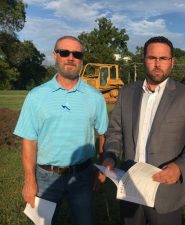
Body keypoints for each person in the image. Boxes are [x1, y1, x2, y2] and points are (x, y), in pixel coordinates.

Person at [102, 36, 185, 225]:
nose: (157, 64)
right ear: (144, 60)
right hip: (130, 187)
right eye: (152, 58)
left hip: (165, 190)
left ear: (172, 62)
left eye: (163, 58)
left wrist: (179, 168)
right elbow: (115, 132)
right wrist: (110, 156)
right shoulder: (126, 93)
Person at [14, 36, 108, 225]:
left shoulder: (96, 97)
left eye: (77, 54)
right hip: (45, 177)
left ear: (82, 59)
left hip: (82, 176)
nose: (70, 58)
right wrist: (29, 180)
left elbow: (103, 134)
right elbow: (29, 141)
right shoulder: (36, 96)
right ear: (55, 55)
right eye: (64, 52)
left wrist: (102, 167)